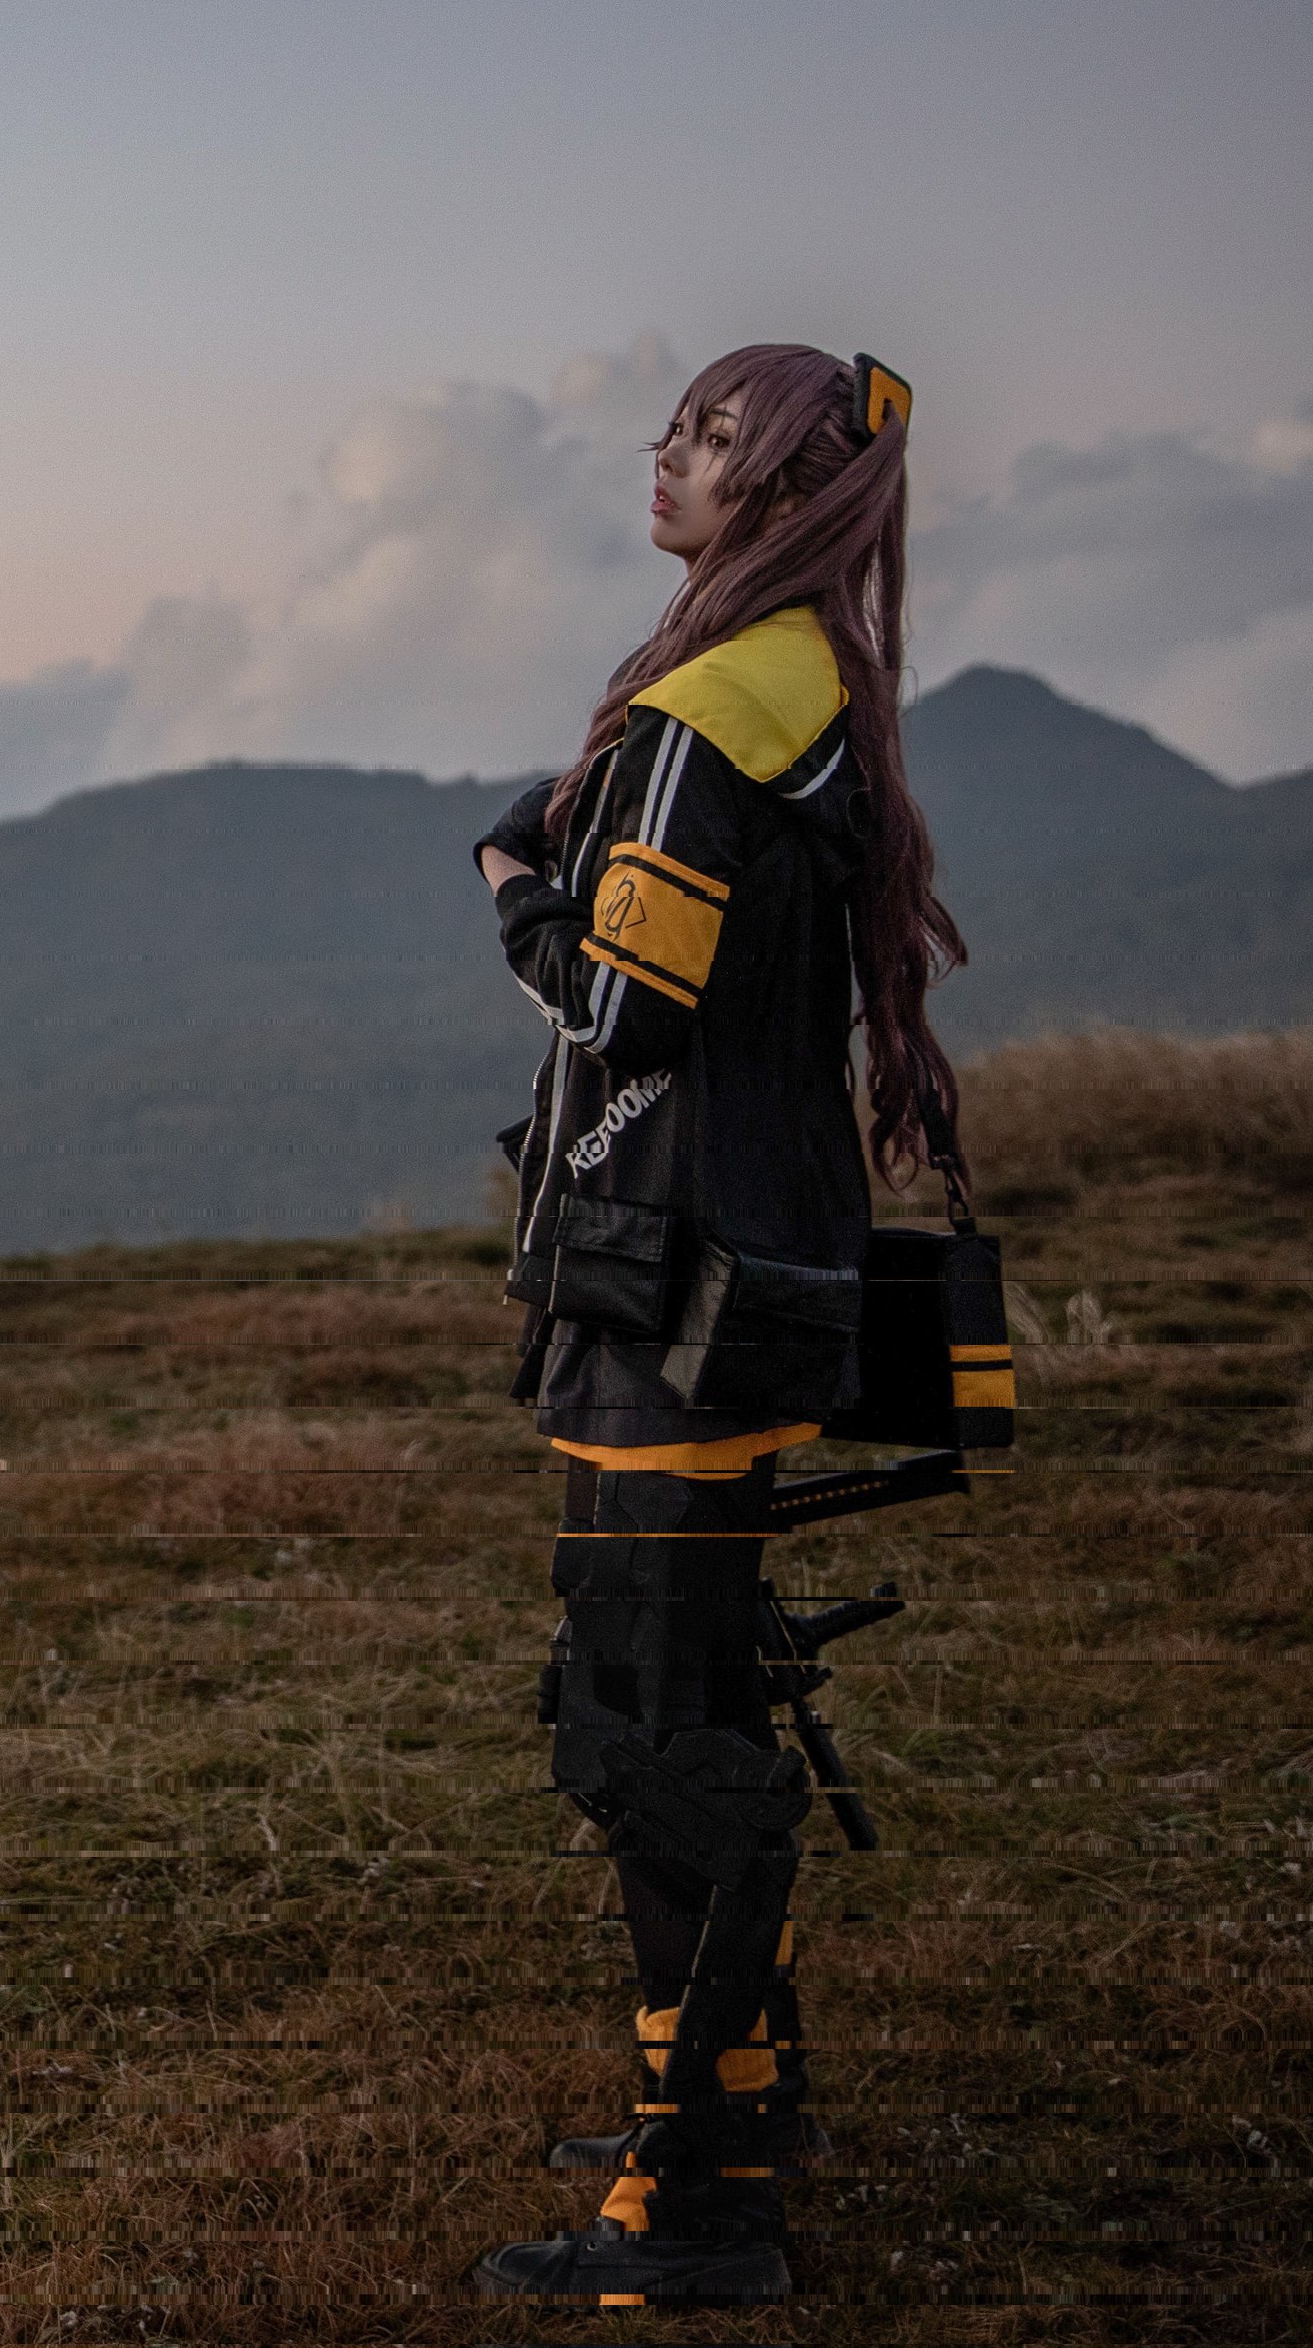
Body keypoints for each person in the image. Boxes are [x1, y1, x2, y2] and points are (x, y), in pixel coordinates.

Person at [461, 344, 966, 2305]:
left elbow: (622, 1009)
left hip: (663, 1288)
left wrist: (516, 883)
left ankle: (694, 2208)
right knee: (702, 1699)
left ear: (782, 488)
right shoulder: (816, 691)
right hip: (763, 1270)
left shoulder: (699, 719)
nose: (661, 456)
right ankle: (734, 2100)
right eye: (672, 425)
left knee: (647, 1732)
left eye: (707, 436)